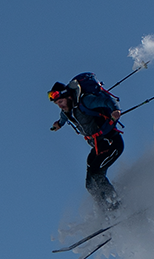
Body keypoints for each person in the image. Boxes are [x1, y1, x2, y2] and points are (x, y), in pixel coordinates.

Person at [49, 77, 123, 212]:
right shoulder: (67, 111)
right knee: (90, 185)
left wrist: (115, 111)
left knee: (96, 173)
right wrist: (59, 124)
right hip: (98, 147)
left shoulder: (86, 102)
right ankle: (104, 213)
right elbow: (63, 118)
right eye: (57, 104)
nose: (60, 105)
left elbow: (108, 101)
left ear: (68, 97)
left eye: (61, 101)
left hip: (111, 143)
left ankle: (117, 205)